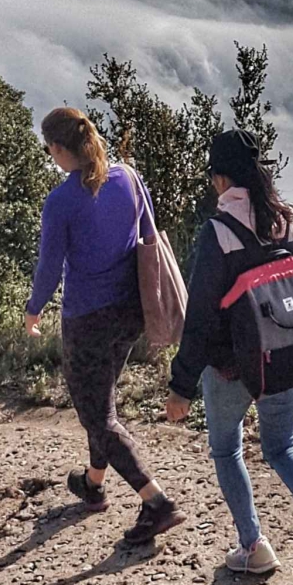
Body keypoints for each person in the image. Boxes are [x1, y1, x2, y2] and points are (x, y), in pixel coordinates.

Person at [165, 129, 293, 577]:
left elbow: (201, 318)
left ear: (220, 178)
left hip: (232, 368)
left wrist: (181, 385)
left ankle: (253, 546)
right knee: (284, 445)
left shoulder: (219, 232)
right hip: (289, 355)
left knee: (227, 449)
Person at [27, 107, 186, 546]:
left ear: (60, 149)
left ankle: (157, 502)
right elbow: (149, 236)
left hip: (88, 318)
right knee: (104, 402)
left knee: (97, 414)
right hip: (131, 311)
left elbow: (49, 267)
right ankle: (93, 484)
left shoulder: (61, 201)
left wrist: (33, 309)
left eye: (49, 149)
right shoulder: (128, 178)